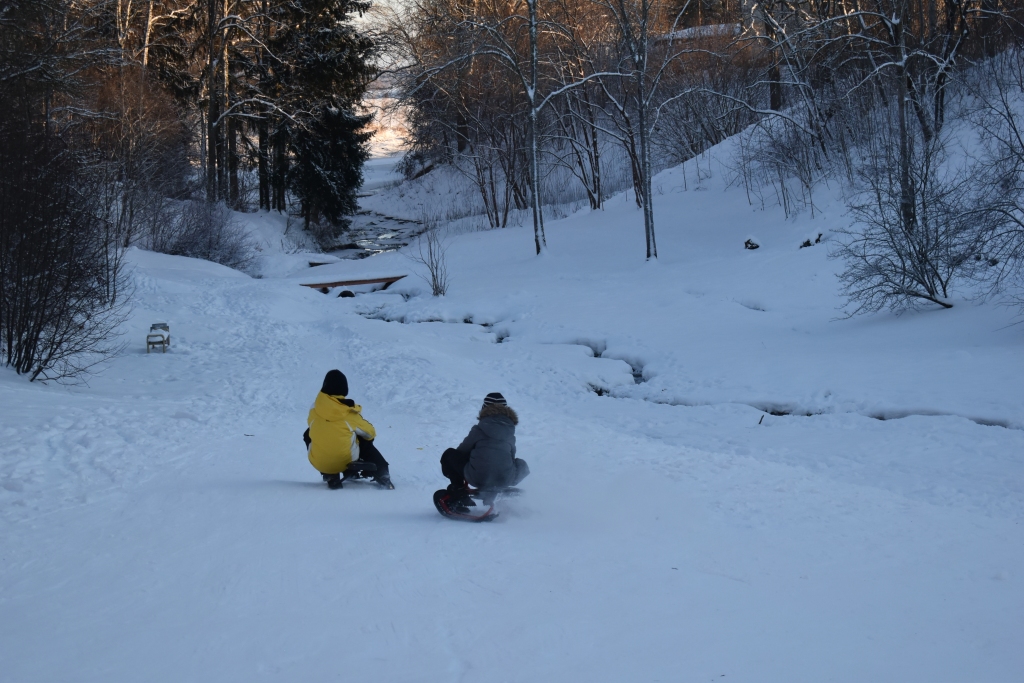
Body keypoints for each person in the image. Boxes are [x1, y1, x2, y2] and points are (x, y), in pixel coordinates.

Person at [304, 370, 393, 489]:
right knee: (362, 437)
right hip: (344, 461)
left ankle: (328, 473)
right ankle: (382, 471)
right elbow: (370, 433)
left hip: (318, 462)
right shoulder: (347, 412)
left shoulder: (314, 409)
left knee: (308, 433)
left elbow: (312, 425)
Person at [440, 393, 529, 503]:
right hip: (504, 479)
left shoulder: (479, 429)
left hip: (479, 477)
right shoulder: (510, 433)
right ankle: (498, 489)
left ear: (485, 409)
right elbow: (511, 457)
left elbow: (462, 451)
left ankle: (458, 491)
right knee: (522, 465)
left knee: (449, 455)